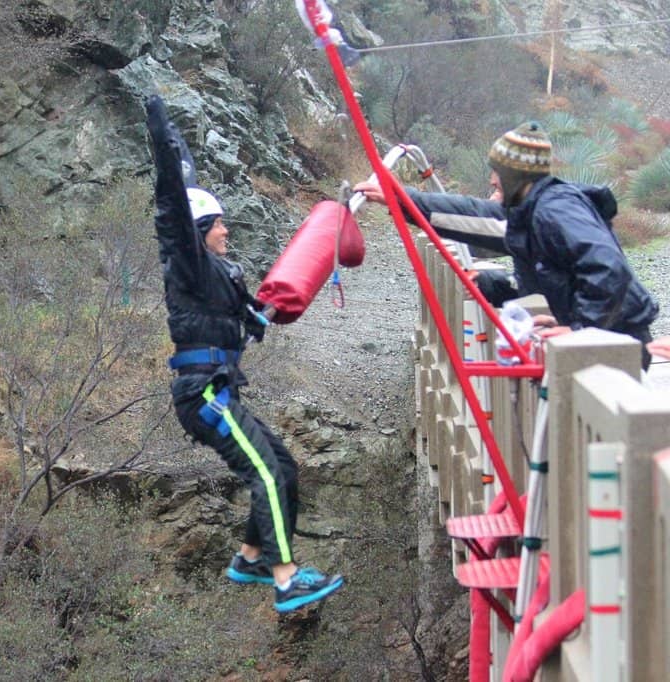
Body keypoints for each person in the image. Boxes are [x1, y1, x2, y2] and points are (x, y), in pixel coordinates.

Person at [145, 95, 344, 614]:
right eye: (218, 224)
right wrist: (160, 132)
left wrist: (254, 315)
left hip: (219, 389)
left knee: (285, 468)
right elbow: (172, 199)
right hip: (203, 395)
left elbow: (185, 179)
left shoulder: (216, 274)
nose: (226, 230)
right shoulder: (187, 262)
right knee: (267, 477)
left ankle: (251, 558)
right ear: (199, 233)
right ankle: (286, 578)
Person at [355, 121, 659, 368]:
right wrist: (402, 200)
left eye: (497, 172)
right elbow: (476, 215)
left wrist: (582, 328)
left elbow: (608, 268)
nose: (492, 181)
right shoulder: (532, 213)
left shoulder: (555, 210)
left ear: (516, 175)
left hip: (617, 344)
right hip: (608, 340)